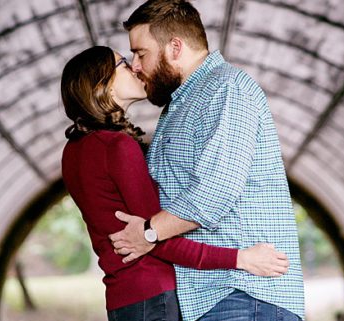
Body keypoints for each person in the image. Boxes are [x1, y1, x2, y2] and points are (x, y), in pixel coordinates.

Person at [107, 1, 306, 320]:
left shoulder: (226, 89)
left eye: (141, 53)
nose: (136, 65)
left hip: (245, 294)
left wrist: (147, 233)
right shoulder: (181, 104)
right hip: (217, 296)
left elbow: (215, 192)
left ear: (175, 47)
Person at [60, 45, 290, 321]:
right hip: (153, 294)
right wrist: (241, 258)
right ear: (104, 85)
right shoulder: (117, 147)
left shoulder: (72, 151)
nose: (134, 66)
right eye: (122, 62)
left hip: (121, 298)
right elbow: (154, 236)